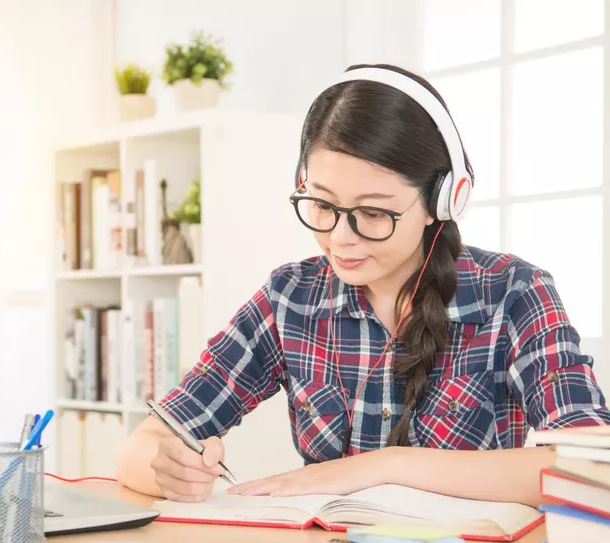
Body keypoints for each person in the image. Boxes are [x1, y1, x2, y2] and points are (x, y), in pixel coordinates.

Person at [115, 63, 610, 507]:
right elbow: (145, 445)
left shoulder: (513, 292)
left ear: (444, 200)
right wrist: (169, 468)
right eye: (323, 206)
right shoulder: (292, 296)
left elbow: (588, 467)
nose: (339, 238)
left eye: (373, 213)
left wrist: (383, 466)